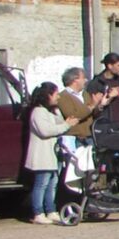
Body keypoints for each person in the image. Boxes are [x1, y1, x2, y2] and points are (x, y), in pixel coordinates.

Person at [85, 52, 119, 201]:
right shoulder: (96, 83)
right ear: (109, 66)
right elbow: (94, 110)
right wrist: (109, 97)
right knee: (104, 166)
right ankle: (100, 198)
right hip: (106, 131)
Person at [24, 82, 79, 224]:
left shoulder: (48, 112)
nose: (58, 97)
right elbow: (46, 131)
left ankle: (51, 210)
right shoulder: (38, 112)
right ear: (48, 95)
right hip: (42, 155)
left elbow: (59, 123)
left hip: (52, 155)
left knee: (52, 183)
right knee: (41, 184)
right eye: (56, 94)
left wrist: (61, 117)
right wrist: (66, 125)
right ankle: (38, 212)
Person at [58, 67, 108, 145]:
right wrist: (92, 105)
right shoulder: (63, 96)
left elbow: (92, 114)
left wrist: (100, 105)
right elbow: (73, 116)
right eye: (83, 78)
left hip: (90, 137)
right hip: (75, 139)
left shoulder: (85, 94)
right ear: (75, 80)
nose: (86, 80)